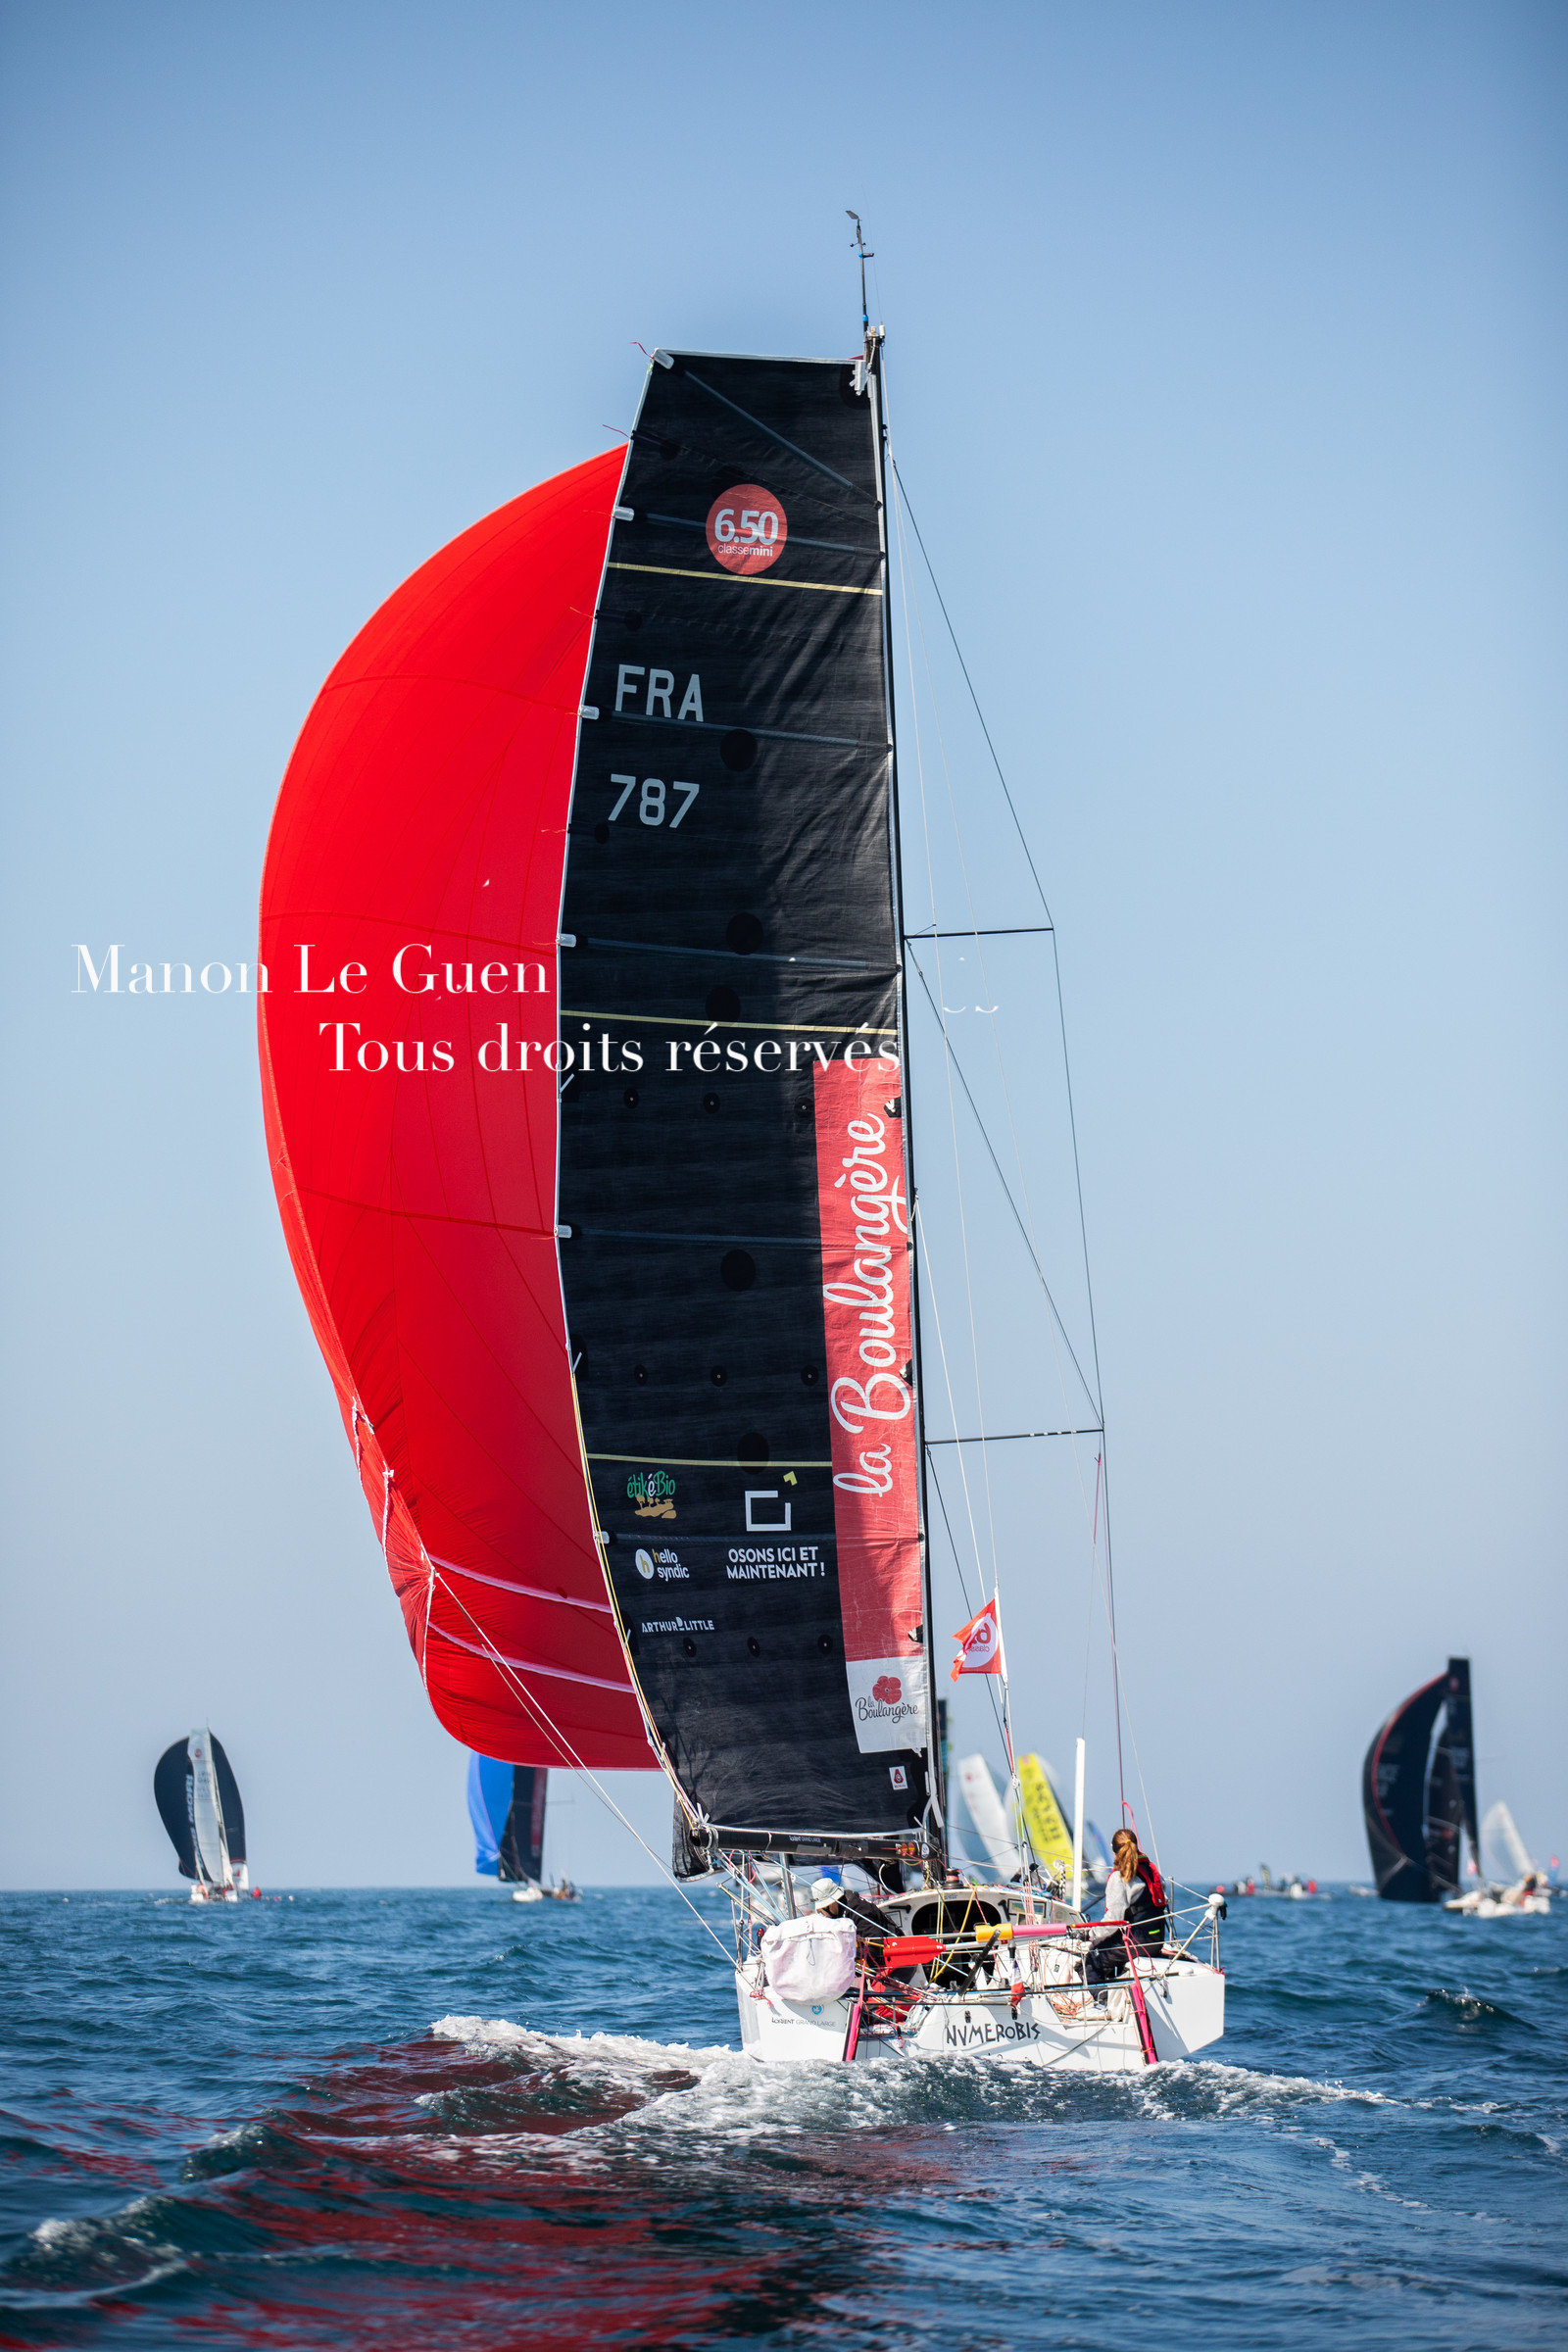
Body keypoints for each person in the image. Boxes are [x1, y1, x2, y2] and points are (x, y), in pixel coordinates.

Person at [1085, 1829, 1166, 1984]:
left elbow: (1113, 1921)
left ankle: (1101, 1999)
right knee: (1105, 1951)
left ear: (1114, 1852)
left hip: (1137, 1942)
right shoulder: (1151, 1872)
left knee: (1090, 1961)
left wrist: (1090, 1934)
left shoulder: (1119, 1878)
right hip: (1156, 1940)